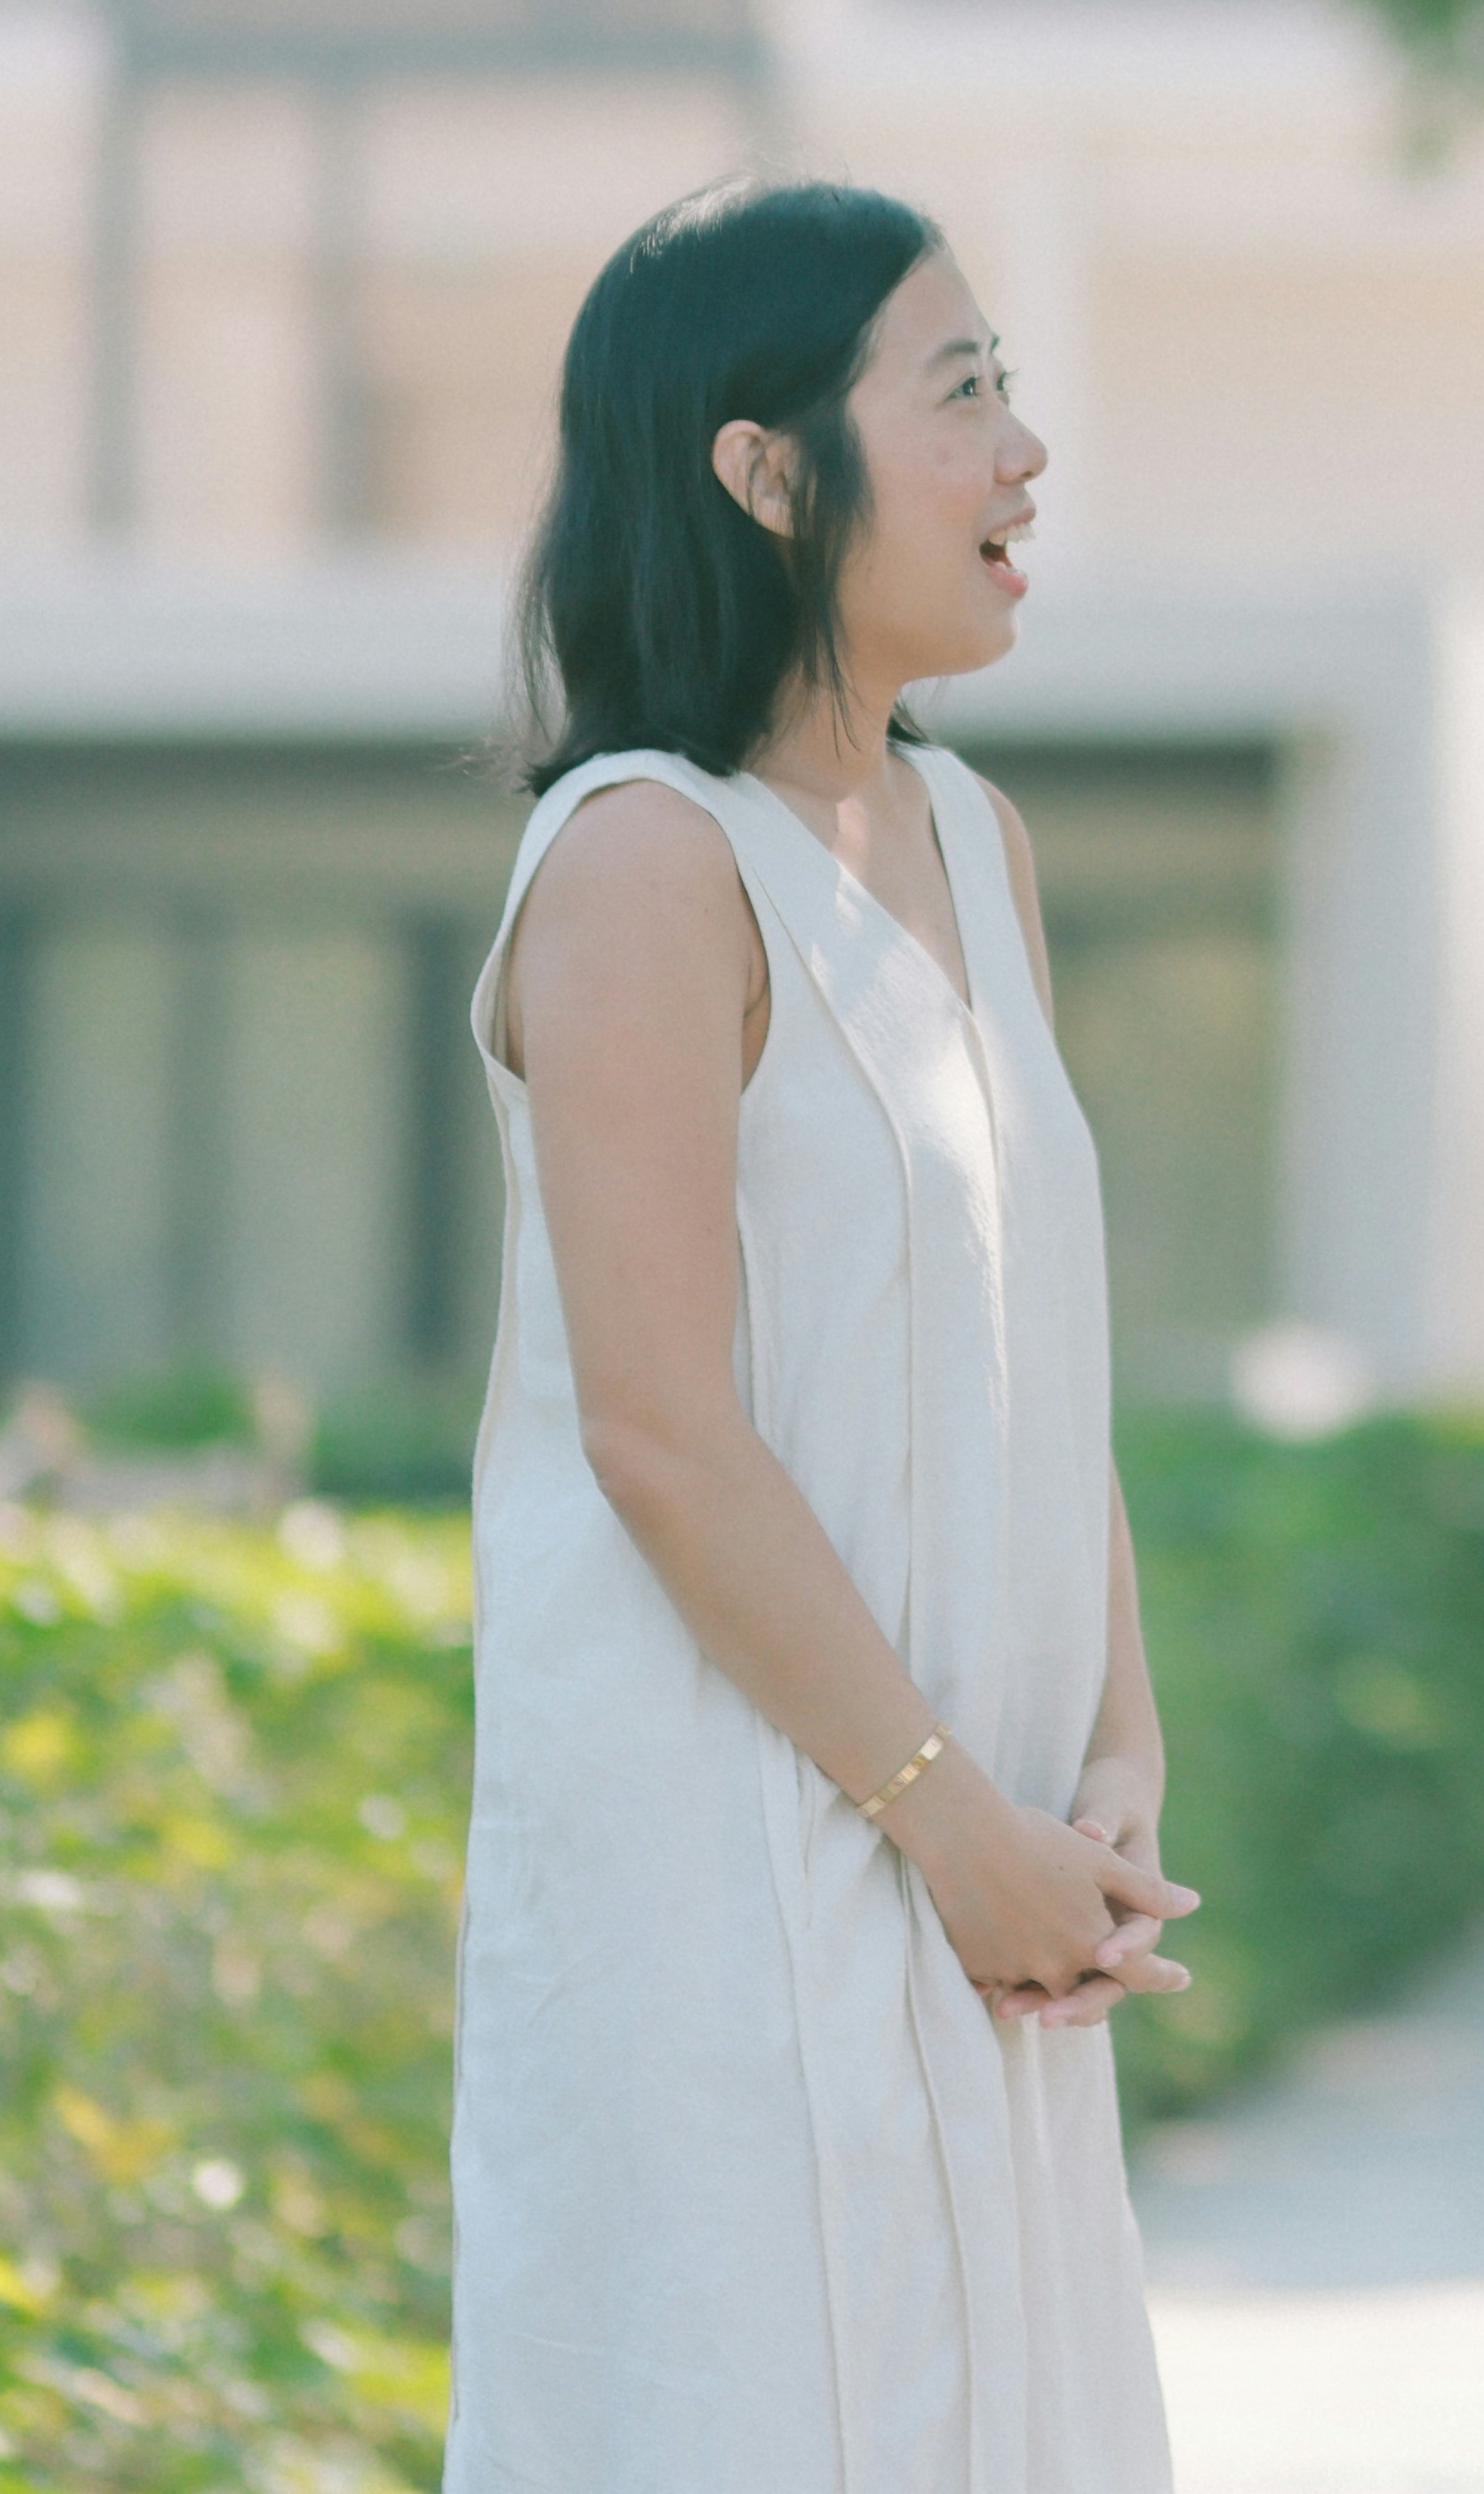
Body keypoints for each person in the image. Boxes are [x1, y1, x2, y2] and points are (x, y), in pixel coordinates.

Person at [451, 181, 1185, 2493]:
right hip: (732, 1886)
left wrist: (1106, 1771)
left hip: (983, 1880)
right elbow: (659, 1434)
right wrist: (948, 1822)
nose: (1022, 457)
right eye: (958, 394)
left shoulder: (975, 839)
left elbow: (1037, 1351)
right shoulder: (638, 863)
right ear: (764, 475)